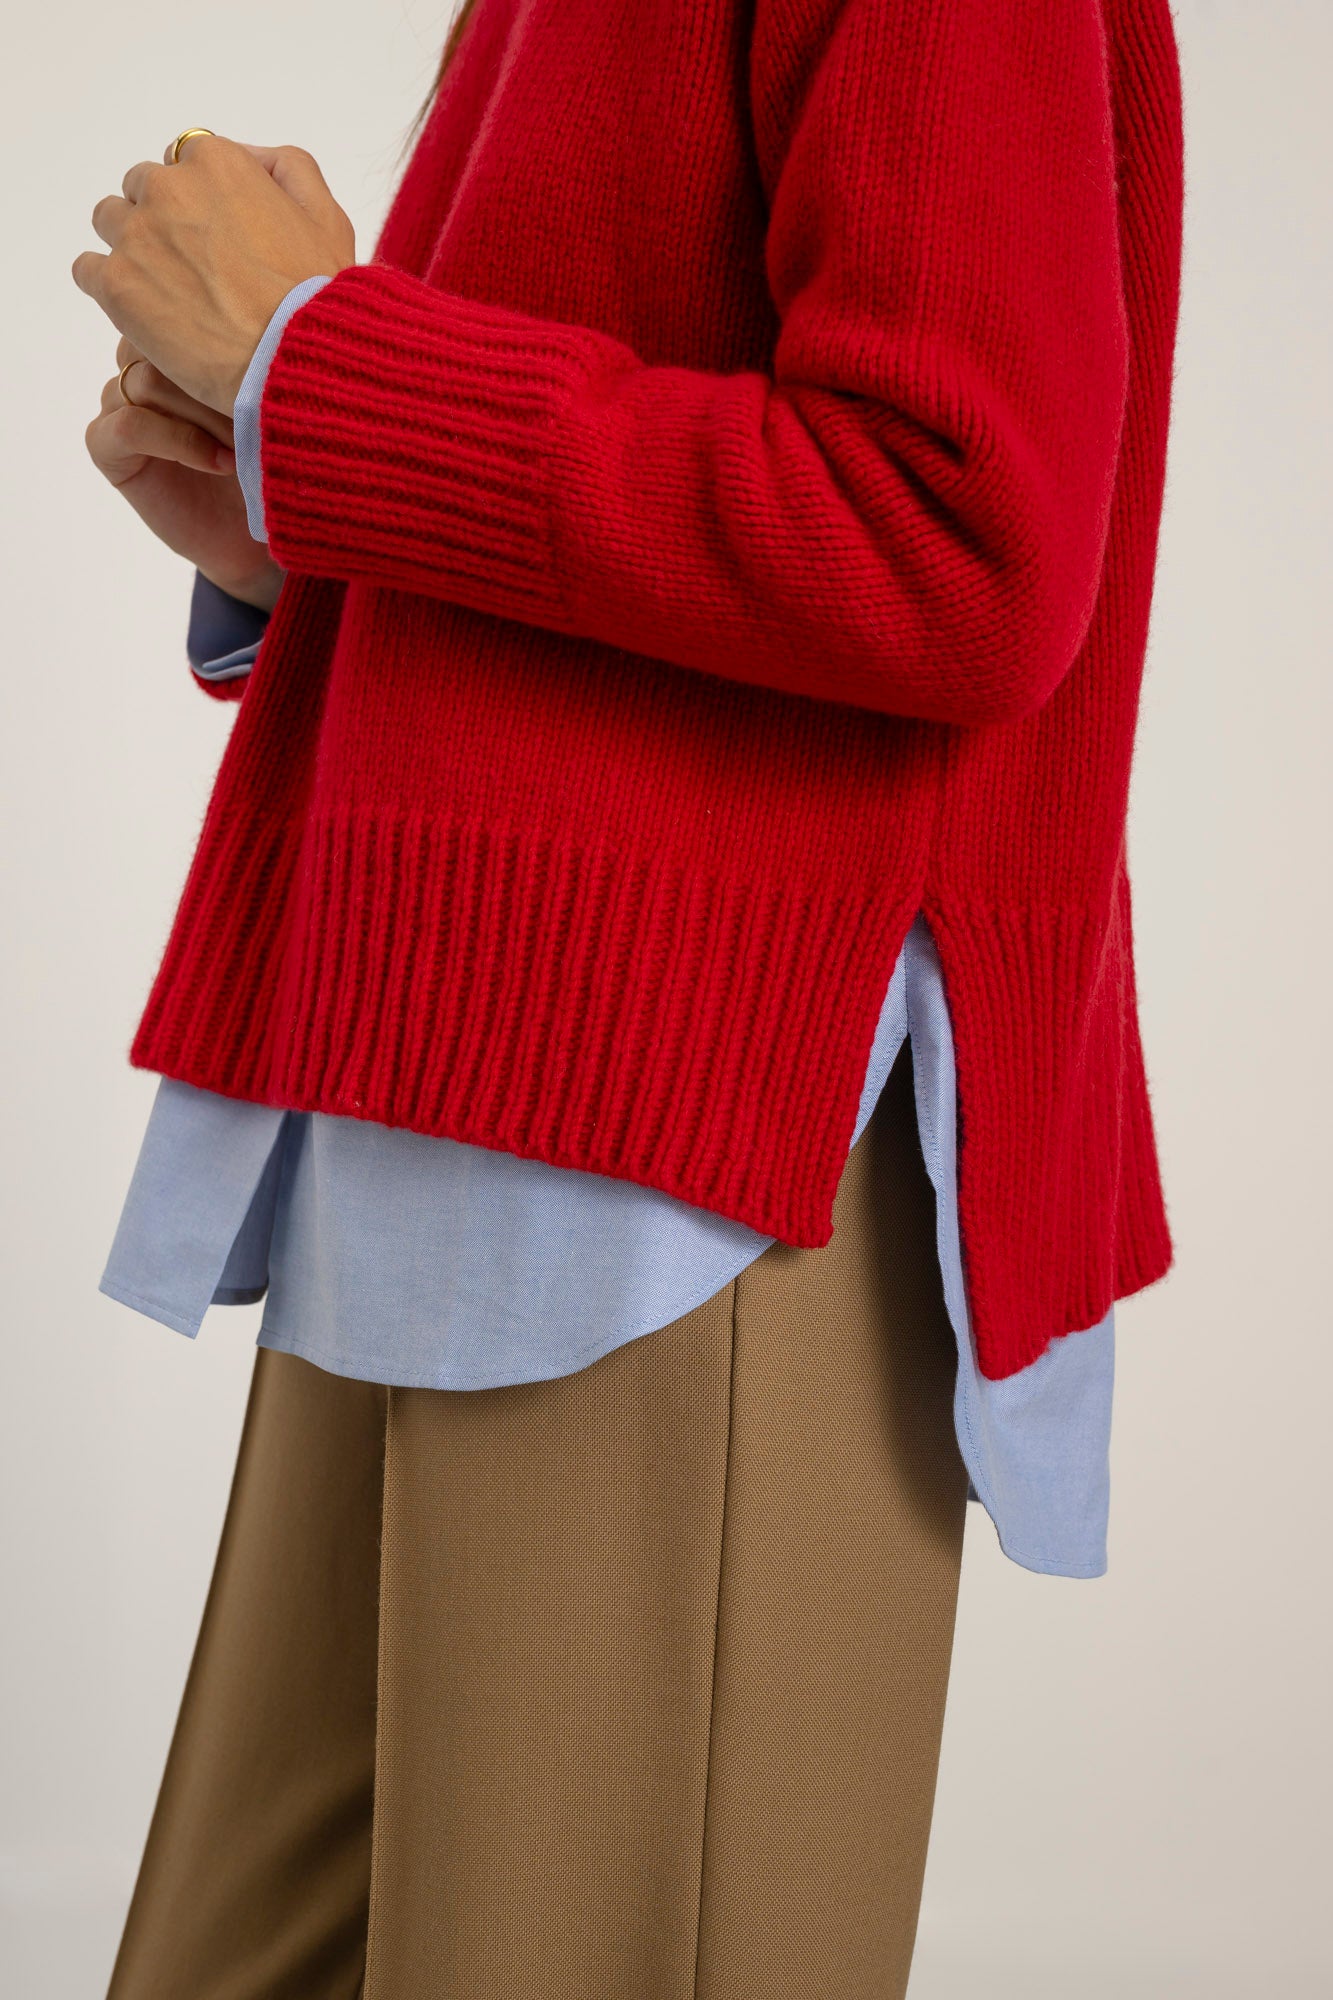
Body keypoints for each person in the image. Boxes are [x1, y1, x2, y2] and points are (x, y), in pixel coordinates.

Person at [73, 0, 1183, 1993]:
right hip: (436, 1098)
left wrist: (328, 366)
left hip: (699, 1158)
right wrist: (303, 492)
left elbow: (957, 536)